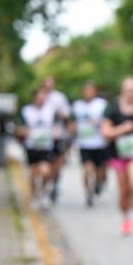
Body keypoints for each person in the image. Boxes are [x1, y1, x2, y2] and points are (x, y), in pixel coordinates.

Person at [102, 76, 133, 236]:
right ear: (122, 91)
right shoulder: (113, 110)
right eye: (128, 90)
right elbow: (105, 133)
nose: (131, 94)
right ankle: (125, 218)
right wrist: (122, 129)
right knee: (124, 190)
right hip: (118, 155)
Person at [71, 81, 109, 207]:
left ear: (95, 91)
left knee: (99, 170)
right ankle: (88, 194)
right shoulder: (77, 105)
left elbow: (109, 120)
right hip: (84, 143)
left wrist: (99, 122)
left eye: (90, 90)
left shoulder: (101, 105)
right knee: (87, 169)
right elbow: (71, 122)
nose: (88, 93)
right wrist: (72, 128)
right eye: (86, 90)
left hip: (99, 143)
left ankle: (98, 184)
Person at [18, 88, 57, 210]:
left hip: (46, 146)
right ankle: (34, 196)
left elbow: (56, 127)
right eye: (39, 98)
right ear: (34, 98)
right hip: (32, 146)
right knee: (33, 173)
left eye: (43, 98)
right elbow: (20, 129)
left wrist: (55, 133)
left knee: (45, 171)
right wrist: (25, 132)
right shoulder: (26, 111)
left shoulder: (51, 111)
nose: (41, 100)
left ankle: (44, 191)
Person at [40, 75, 72, 204]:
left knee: (57, 161)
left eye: (50, 83)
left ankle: (54, 183)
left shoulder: (59, 98)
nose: (48, 86)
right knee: (44, 164)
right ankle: (44, 186)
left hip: (57, 134)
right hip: (43, 137)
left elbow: (67, 115)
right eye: (46, 84)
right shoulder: (39, 97)